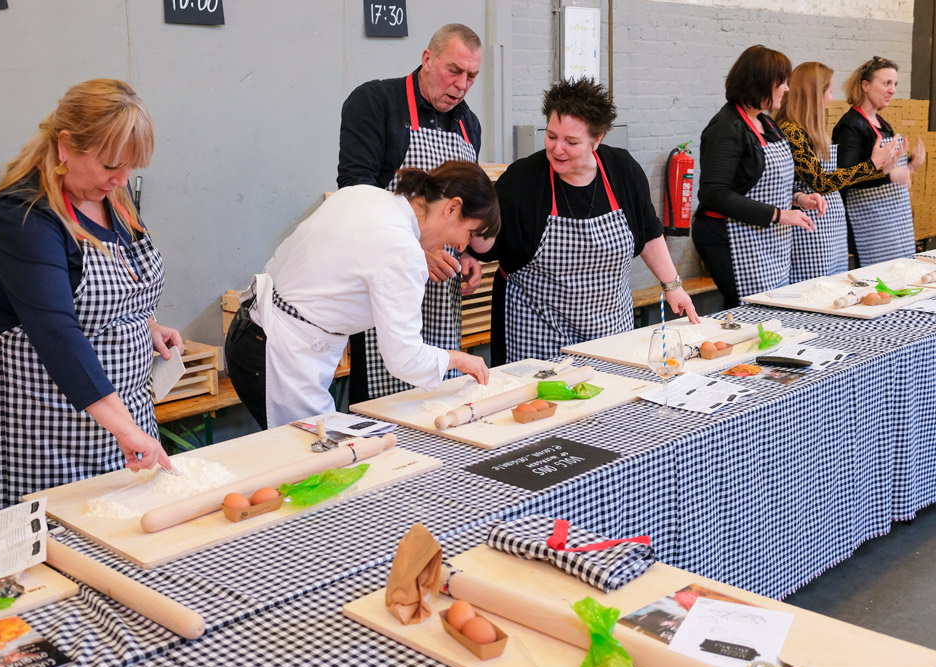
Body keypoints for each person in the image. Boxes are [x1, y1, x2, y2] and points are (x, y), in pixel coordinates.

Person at [0, 79, 181, 517]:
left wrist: (144, 324)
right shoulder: (21, 216)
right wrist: (125, 428)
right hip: (39, 417)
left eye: (132, 168)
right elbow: (55, 328)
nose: (121, 179)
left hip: (121, 411)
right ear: (66, 146)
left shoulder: (112, 197)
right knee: (53, 539)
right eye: (111, 165)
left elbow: (113, 283)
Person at [225, 161, 498, 430]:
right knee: (318, 457)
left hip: (252, 328)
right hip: (280, 353)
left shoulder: (365, 195)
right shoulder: (402, 251)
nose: (462, 246)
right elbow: (404, 358)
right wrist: (457, 358)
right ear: (452, 208)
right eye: (470, 232)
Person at [469, 77, 698, 365]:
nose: (557, 149)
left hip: (610, 331)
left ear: (597, 139)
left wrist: (672, 286)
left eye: (571, 141)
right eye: (551, 136)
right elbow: (489, 245)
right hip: (539, 337)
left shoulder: (622, 171)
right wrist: (468, 231)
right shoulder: (523, 180)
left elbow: (648, 233)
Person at [338, 23, 483, 403]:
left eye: (472, 76)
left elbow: (462, 208)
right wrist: (418, 250)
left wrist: (464, 253)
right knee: (385, 403)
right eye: (454, 71)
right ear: (427, 59)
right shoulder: (376, 102)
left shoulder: (469, 125)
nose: (462, 84)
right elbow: (356, 194)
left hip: (440, 295)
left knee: (437, 397)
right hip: (384, 278)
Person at [693, 45, 826, 308]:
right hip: (730, 237)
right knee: (750, 311)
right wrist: (779, 215)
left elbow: (759, 184)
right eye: (782, 82)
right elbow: (714, 194)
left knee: (772, 309)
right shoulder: (726, 127)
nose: (787, 89)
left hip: (766, 238)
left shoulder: (767, 123)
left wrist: (798, 198)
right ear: (761, 82)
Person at [776, 61, 908, 281]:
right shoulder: (792, 131)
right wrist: (874, 165)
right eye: (828, 91)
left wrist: (894, 166)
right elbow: (821, 182)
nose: (830, 98)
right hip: (811, 227)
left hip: (829, 227)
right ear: (812, 94)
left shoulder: (807, 130)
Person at [833, 56, 924, 267]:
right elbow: (844, 177)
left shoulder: (883, 123)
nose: (892, 90)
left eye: (894, 84)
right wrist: (892, 175)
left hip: (892, 222)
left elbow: (884, 168)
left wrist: (910, 165)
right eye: (886, 83)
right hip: (869, 223)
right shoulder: (851, 126)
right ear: (865, 85)